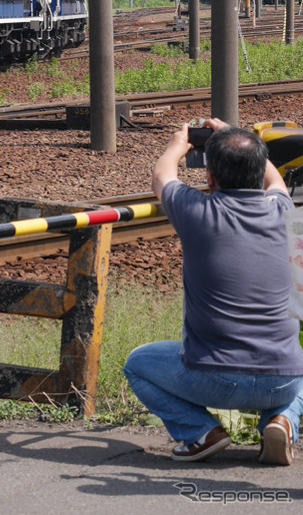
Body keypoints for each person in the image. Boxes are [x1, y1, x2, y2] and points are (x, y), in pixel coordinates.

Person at [123, 118, 303, 464]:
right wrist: (239, 135)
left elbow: (162, 176)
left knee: (137, 364)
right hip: (283, 380)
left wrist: (179, 143)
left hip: (215, 378)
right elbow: (275, 179)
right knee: (296, 363)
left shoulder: (197, 211)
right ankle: (282, 421)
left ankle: (200, 433)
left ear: (208, 177)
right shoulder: (281, 209)